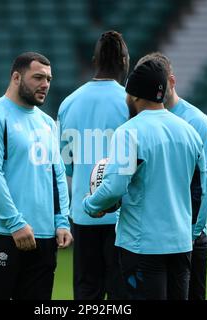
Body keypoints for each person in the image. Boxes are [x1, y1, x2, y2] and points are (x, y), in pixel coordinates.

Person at [82, 59, 207, 300]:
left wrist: (90, 204)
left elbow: (114, 187)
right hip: (181, 244)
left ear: (134, 95)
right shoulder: (189, 132)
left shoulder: (129, 132)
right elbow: (198, 189)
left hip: (143, 245)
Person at [0, 52, 73, 300]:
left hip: (44, 236)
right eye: (38, 77)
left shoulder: (48, 123)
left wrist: (61, 220)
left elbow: (56, 173)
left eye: (48, 79)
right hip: (2, 233)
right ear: (16, 77)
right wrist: (15, 223)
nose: (45, 84)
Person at [136, 52, 207, 300]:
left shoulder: (198, 122)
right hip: (152, 238)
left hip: (188, 237)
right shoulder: (140, 117)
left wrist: (192, 234)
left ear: (171, 81)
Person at [58, 30, 130, 300]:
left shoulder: (69, 104)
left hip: (83, 213)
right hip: (122, 217)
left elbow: (66, 165)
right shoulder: (130, 102)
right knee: (121, 294)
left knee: (87, 292)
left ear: (94, 60)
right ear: (125, 60)